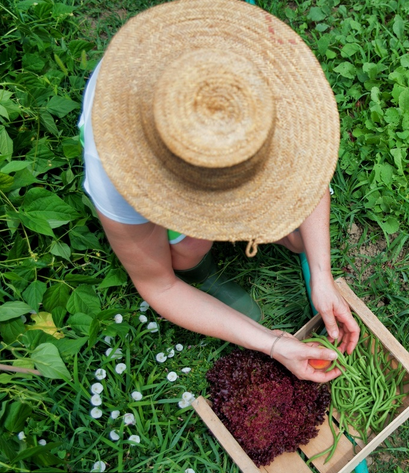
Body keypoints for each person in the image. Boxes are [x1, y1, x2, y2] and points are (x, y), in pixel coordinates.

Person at [78, 0, 359, 382]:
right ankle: (204, 272)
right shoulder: (115, 172)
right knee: (187, 249)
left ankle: (286, 241)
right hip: (150, 171)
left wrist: (323, 275)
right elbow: (158, 285)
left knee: (295, 232)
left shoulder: (254, 75)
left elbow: (306, 176)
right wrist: (270, 342)